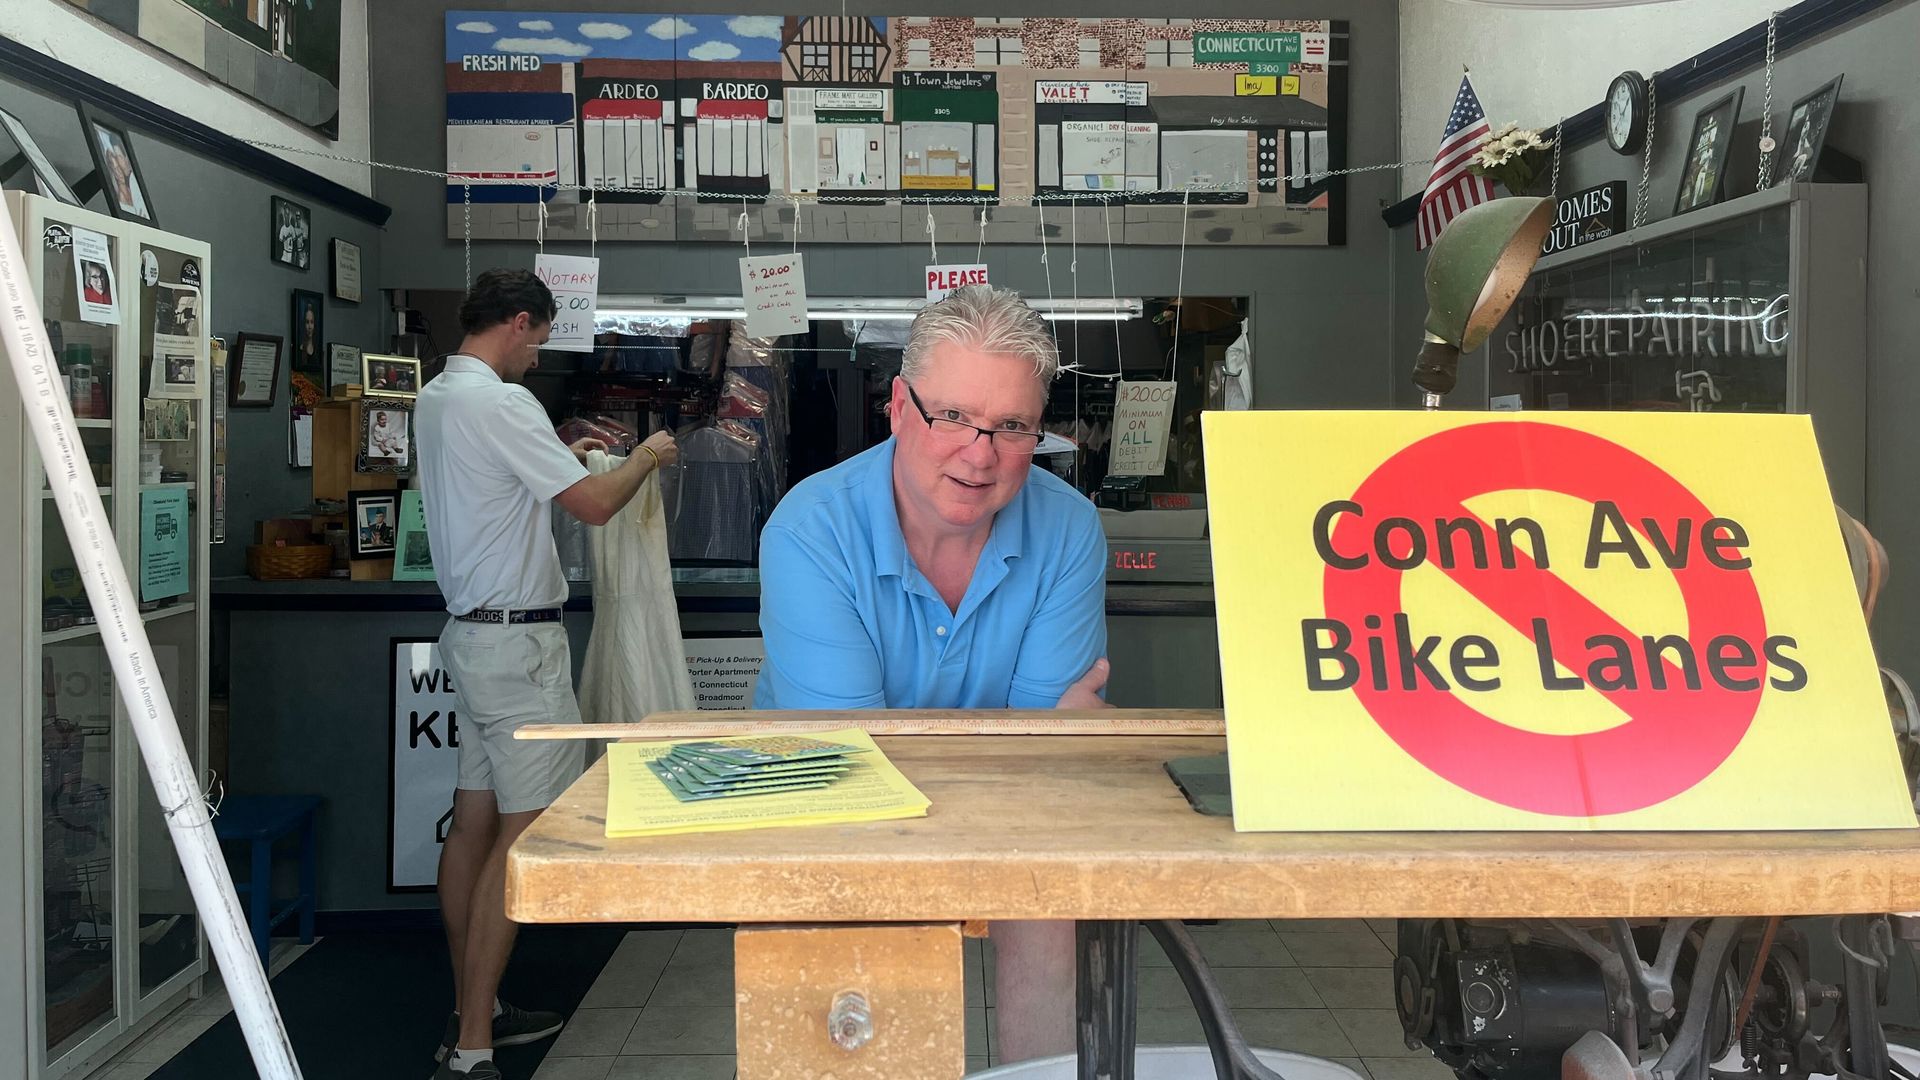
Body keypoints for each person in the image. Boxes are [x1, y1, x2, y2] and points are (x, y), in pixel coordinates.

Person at [754, 285, 1109, 1062]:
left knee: (1049, 893)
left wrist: (1039, 742)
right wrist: (1028, 739)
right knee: (867, 979)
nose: (978, 454)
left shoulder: (1070, 528)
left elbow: (1049, 758)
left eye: (1010, 426)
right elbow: (851, 765)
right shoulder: (810, 530)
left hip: (1008, 811)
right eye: (950, 415)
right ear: (898, 407)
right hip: (827, 810)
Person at [417, 269, 679, 1080]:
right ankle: (472, 1048)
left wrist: (557, 458)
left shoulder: (437, 398)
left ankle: (479, 1007)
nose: (539, 356)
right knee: (523, 837)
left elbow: (500, 486)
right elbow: (596, 506)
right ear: (519, 322)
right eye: (539, 338)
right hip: (521, 652)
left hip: (470, 636)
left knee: (472, 823)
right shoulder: (502, 403)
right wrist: (644, 455)